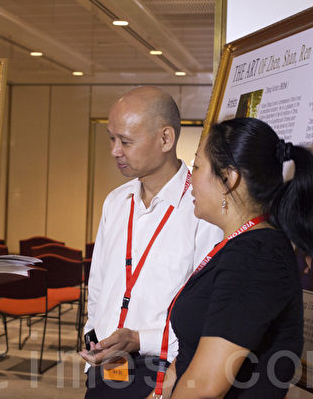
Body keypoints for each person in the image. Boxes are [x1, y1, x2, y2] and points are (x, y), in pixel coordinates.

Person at [78, 86, 222, 398]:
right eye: (111, 139)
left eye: (125, 141)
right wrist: (95, 334)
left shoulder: (201, 209)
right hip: (106, 366)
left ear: (166, 139)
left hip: (164, 371)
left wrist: (140, 339)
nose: (115, 151)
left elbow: (206, 311)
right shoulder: (116, 201)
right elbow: (99, 285)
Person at [166, 117, 313, 398]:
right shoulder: (241, 247)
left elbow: (205, 385)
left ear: (229, 178)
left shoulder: (258, 257)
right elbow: (191, 355)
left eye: (197, 166)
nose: (191, 178)